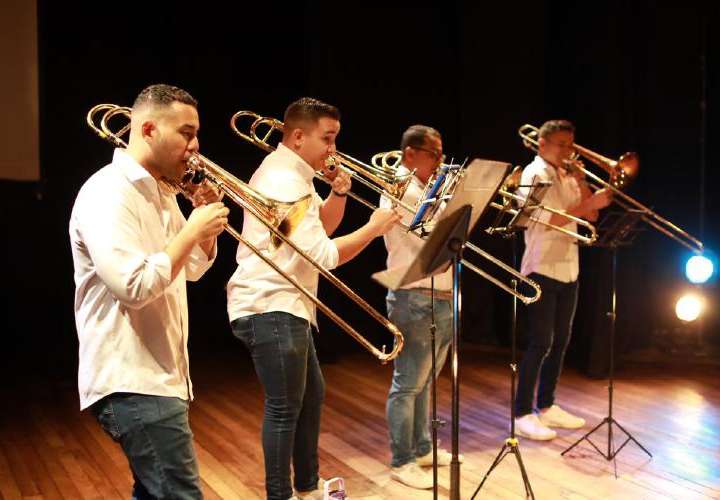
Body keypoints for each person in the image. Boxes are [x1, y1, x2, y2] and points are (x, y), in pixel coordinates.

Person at [226, 97, 400, 500]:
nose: (333, 150)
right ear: (299, 136)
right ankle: (281, 494)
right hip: (271, 304)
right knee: (285, 407)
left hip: (287, 303)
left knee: (311, 396)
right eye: (328, 138)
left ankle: (305, 486)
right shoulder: (283, 181)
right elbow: (321, 257)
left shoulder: (293, 174)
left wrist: (338, 194)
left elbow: (318, 229)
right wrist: (373, 228)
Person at [70, 83, 229, 499]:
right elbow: (135, 286)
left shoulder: (161, 193)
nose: (196, 147)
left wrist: (201, 229)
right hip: (132, 378)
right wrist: (193, 228)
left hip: (160, 376)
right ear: (147, 130)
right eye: (186, 133)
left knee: (154, 492)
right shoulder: (107, 193)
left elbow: (189, 269)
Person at [514, 119, 612, 440]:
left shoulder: (567, 174)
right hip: (541, 265)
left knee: (560, 341)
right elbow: (548, 219)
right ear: (541, 144)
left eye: (571, 144)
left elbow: (593, 215)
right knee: (540, 341)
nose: (568, 151)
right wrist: (589, 204)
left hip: (569, 266)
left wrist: (583, 182)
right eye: (561, 145)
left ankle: (548, 403)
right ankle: (522, 412)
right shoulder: (534, 174)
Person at [381, 125, 461, 490]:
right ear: (410, 153)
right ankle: (402, 459)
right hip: (413, 295)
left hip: (442, 292)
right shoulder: (396, 186)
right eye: (434, 153)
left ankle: (424, 447)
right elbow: (426, 233)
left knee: (426, 382)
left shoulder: (433, 188)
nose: (441, 161)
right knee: (408, 383)